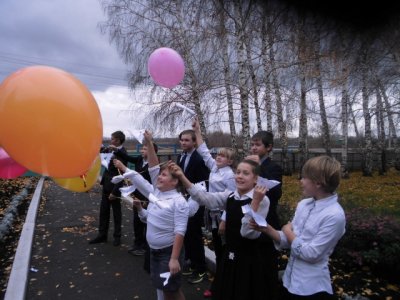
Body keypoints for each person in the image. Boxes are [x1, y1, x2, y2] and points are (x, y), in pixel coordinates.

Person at [171, 159, 271, 300]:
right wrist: (182, 177)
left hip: (248, 260)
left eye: (245, 173)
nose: (240, 176)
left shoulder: (262, 200)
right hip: (229, 256)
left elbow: (248, 233)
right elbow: (205, 198)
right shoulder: (231, 195)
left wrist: (255, 202)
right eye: (238, 172)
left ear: (255, 179)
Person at [251, 155, 346, 299]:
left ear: (318, 182)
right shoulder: (304, 205)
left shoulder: (334, 215)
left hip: (311, 289)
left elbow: (311, 254)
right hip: (289, 281)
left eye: (304, 178)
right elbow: (288, 241)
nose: (301, 181)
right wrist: (265, 228)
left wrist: (288, 230)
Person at [114, 131, 189, 300]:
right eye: (160, 175)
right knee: (161, 287)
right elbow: (154, 167)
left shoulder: (179, 202)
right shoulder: (157, 194)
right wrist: (141, 210)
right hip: (154, 251)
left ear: (175, 181)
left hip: (168, 253)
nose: (159, 177)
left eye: (164, 175)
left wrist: (174, 259)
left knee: (171, 290)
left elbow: (180, 231)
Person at [192, 118, 236, 297]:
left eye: (223, 156)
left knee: (223, 250)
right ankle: (220, 283)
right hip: (211, 214)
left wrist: (225, 219)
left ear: (230, 161)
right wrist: (197, 131)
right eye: (218, 154)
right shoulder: (215, 168)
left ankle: (222, 284)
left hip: (222, 217)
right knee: (218, 249)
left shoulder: (230, 176)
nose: (218, 156)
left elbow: (232, 200)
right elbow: (203, 151)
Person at [248, 130, 283, 299]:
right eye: (252, 144)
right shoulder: (248, 165)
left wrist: (259, 169)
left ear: (268, 147)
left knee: (267, 264)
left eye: (257, 145)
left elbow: (275, 193)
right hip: (250, 219)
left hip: (267, 222)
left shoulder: (274, 167)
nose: (253, 148)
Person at [112, 143, 159, 258]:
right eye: (142, 148)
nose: (142, 151)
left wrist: (123, 167)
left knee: (146, 222)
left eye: (145, 149)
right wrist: (117, 151)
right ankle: (138, 243)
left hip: (147, 197)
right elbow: (128, 158)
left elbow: (146, 183)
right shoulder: (139, 160)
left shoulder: (154, 166)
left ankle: (145, 246)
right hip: (137, 195)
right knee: (137, 221)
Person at [177, 129, 210, 284]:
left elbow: (204, 181)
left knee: (194, 233)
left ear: (194, 142)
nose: (183, 143)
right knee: (186, 232)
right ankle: (191, 261)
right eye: (182, 140)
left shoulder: (199, 158)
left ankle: (201, 267)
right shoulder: (181, 156)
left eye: (187, 140)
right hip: (184, 199)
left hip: (196, 199)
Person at [89, 130, 128, 247]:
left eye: (113, 139)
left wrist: (115, 191)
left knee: (116, 213)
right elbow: (100, 152)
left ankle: (117, 236)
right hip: (106, 184)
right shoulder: (110, 149)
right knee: (103, 211)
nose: (111, 141)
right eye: (111, 139)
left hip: (115, 188)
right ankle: (102, 235)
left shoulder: (122, 153)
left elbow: (122, 174)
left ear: (118, 140)